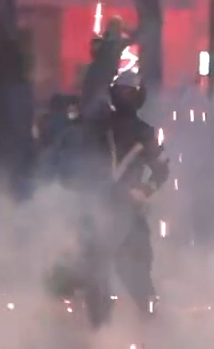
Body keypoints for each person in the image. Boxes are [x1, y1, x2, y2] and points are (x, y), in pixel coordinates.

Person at [72, 73, 168, 327]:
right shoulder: (104, 128)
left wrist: (143, 191)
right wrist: (144, 191)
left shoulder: (130, 130)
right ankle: (108, 328)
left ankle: (137, 324)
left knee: (122, 268)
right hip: (108, 206)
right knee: (104, 268)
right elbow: (161, 171)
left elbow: (161, 170)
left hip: (123, 209)